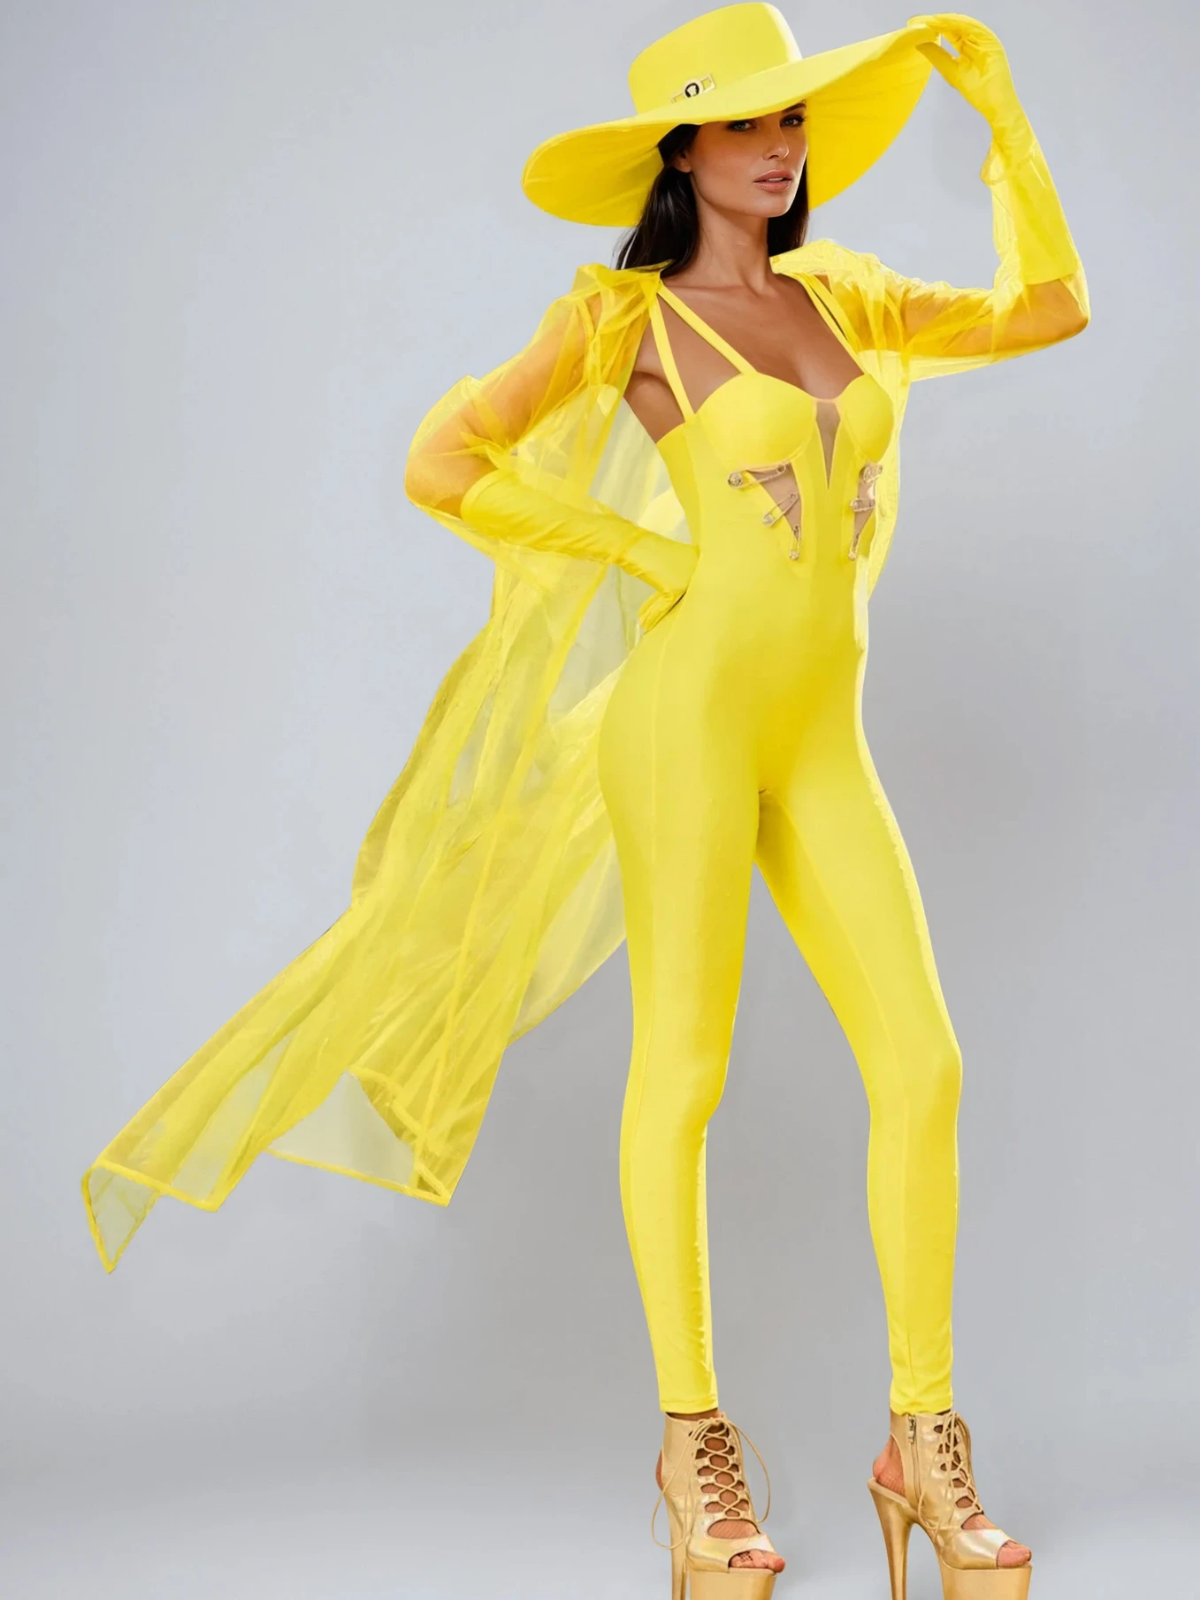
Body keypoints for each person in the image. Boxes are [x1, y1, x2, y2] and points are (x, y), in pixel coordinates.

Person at [82, 8, 1087, 1597]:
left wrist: (1006, 123)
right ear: (682, 149)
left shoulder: (845, 294)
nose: (781, 146)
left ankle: (922, 1442)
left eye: (794, 118)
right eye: (747, 121)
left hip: (824, 737)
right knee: (685, 1073)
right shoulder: (627, 320)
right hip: (684, 726)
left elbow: (1049, 308)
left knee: (925, 1063)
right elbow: (442, 460)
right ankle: (696, 1459)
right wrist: (637, 552)